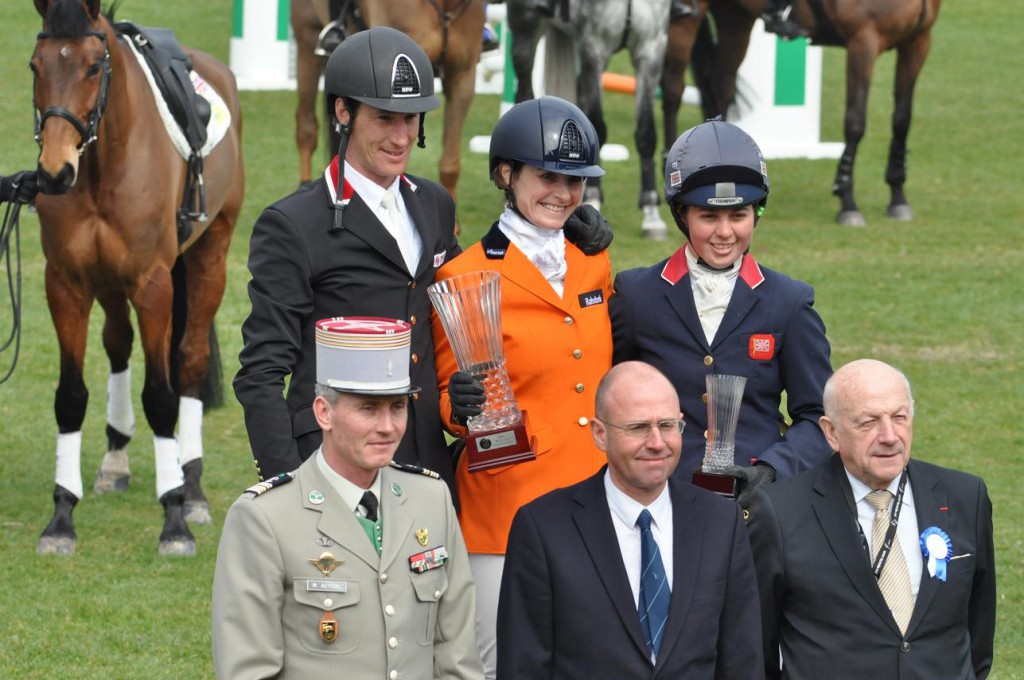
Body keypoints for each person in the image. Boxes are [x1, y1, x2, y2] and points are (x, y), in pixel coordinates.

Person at [433, 95, 614, 678]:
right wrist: (457, 404)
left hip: (597, 500)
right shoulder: (462, 275)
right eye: (547, 176)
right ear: (507, 175)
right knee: (500, 666)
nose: (563, 192)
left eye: (575, 180)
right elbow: (447, 397)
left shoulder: (593, 264)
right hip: (508, 507)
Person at [234, 27, 457, 486]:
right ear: (343, 111)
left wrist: (562, 229)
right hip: (330, 464)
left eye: (411, 119)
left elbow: (467, 292)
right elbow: (260, 372)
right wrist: (286, 484)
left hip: (426, 463)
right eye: (384, 118)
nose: (400, 137)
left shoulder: (435, 205)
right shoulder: (293, 224)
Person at [213, 316, 483, 679]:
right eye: (368, 408)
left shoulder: (432, 500)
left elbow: (457, 657)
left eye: (397, 407)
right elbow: (248, 670)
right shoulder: (264, 518)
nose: (387, 427)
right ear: (324, 412)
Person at [610, 118, 833, 504]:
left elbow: (819, 418)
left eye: (739, 216)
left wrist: (771, 469)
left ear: (757, 213)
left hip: (756, 505)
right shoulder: (636, 295)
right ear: (682, 214)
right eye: (709, 217)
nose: (725, 232)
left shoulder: (789, 301)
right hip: (663, 497)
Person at [496, 361, 763, 678]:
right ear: (599, 434)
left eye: (667, 426)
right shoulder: (543, 528)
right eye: (637, 428)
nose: (656, 443)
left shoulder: (721, 520)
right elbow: (523, 666)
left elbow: (741, 660)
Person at [746, 359, 996, 678]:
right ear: (831, 432)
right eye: (869, 422)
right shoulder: (779, 511)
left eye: (899, 417)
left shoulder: (965, 496)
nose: (889, 436)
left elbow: (979, 632)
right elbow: (754, 644)